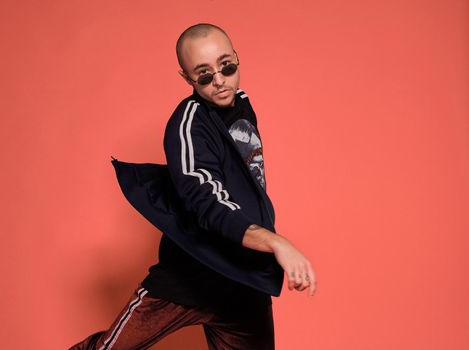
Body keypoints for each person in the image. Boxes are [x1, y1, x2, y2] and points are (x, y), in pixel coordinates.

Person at [70, 23, 317, 350]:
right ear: (187, 78)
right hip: (188, 279)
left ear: (237, 59)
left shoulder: (242, 104)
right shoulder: (187, 124)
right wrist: (276, 243)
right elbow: (208, 203)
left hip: (241, 281)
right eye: (203, 74)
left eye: (226, 66)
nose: (219, 80)